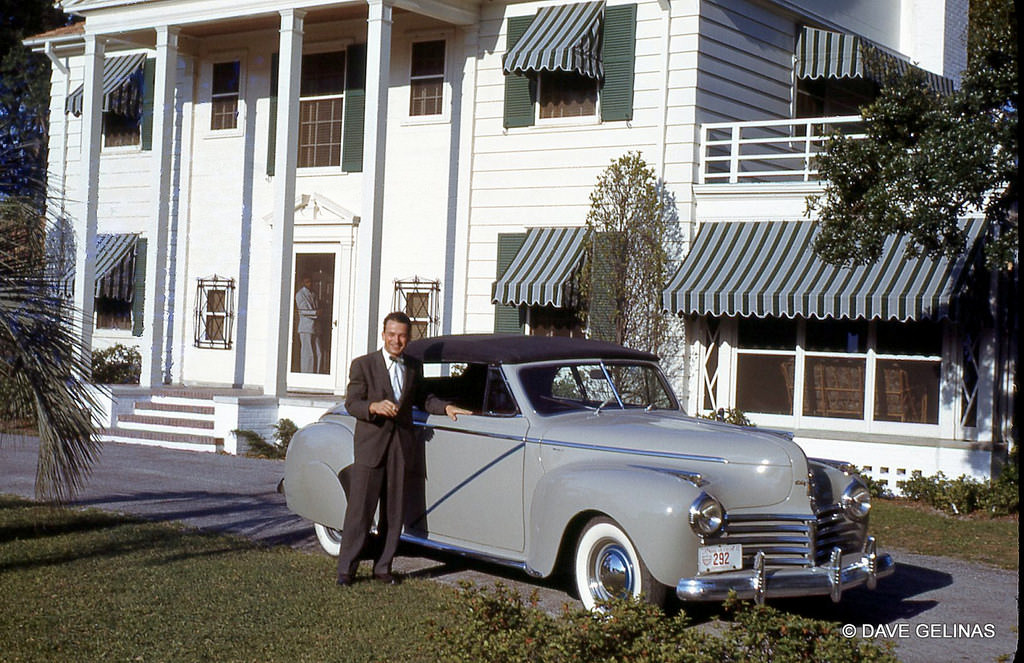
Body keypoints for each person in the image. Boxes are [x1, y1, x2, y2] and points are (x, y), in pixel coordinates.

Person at [336, 312, 471, 586]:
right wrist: (373, 407)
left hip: (401, 446)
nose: (397, 340)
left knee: (394, 512)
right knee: (359, 511)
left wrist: (445, 407)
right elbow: (352, 402)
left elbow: (423, 397)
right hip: (370, 448)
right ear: (383, 334)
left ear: (408, 338)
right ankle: (346, 571)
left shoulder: (412, 365)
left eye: (402, 336)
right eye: (392, 334)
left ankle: (383, 568)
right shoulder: (363, 365)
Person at [295, 276, 322, 373]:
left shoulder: (313, 294)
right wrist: (315, 313)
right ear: (303, 282)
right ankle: (306, 374)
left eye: (310, 281)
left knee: (318, 352)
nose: (309, 283)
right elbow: (302, 311)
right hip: (306, 327)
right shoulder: (300, 295)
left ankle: (317, 373)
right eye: (307, 281)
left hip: (315, 327)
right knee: (308, 352)